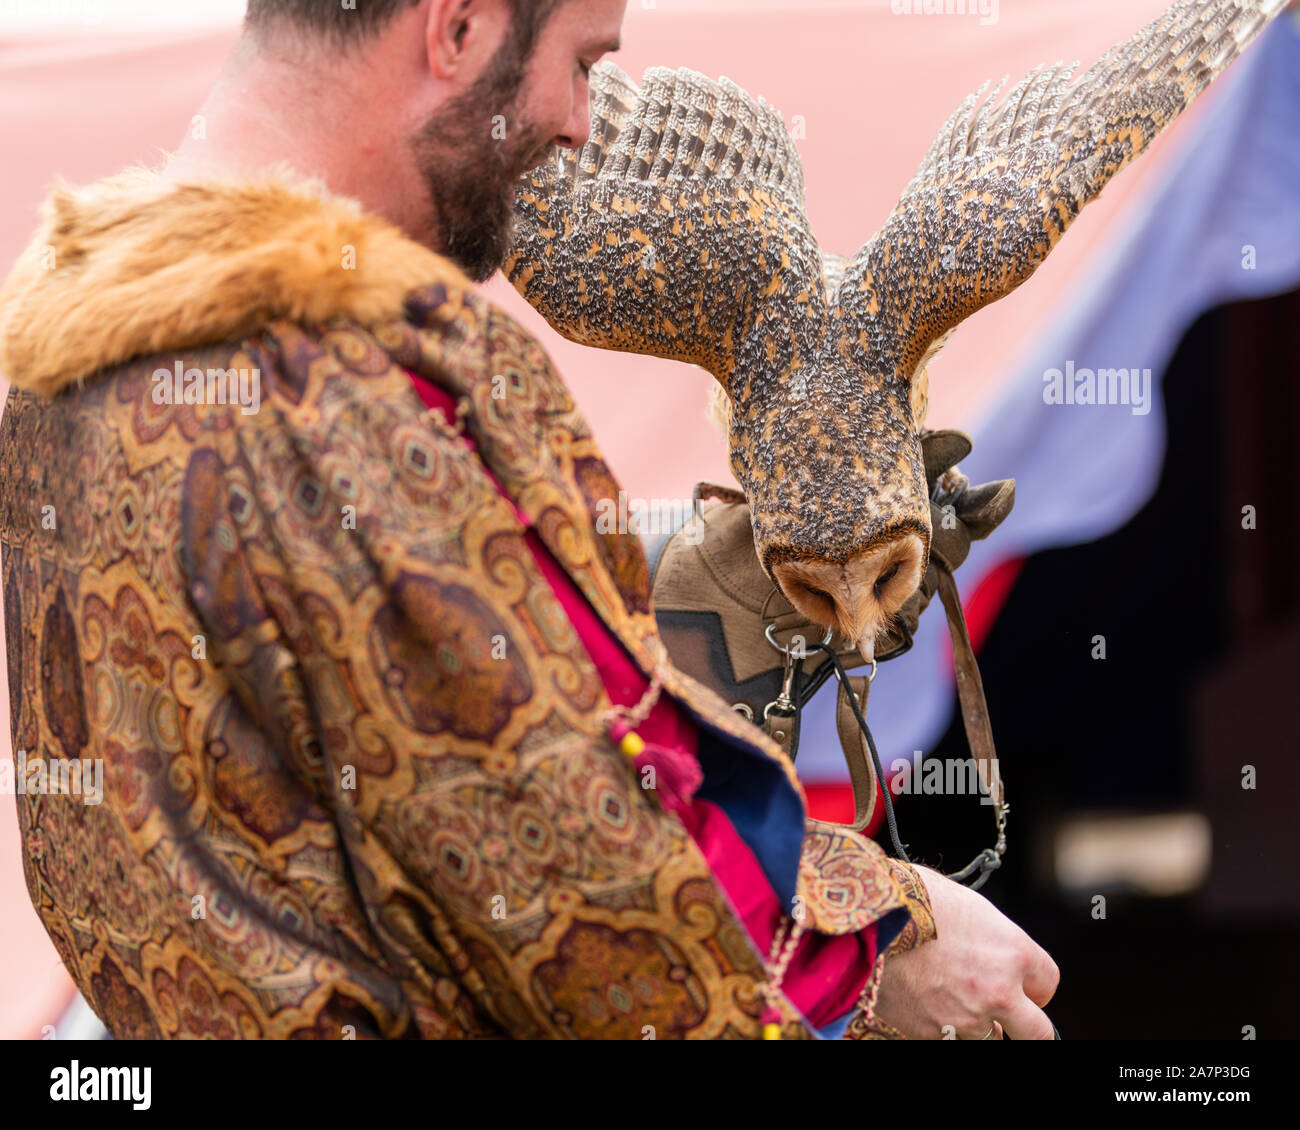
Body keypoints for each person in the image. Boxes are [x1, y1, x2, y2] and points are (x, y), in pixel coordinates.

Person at [0, 0, 1057, 1039]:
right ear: (456, 29)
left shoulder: (71, 366)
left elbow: (337, 755)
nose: (583, 123)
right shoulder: (367, 381)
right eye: (584, 63)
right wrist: (879, 938)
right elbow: (582, 879)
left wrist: (657, 595)